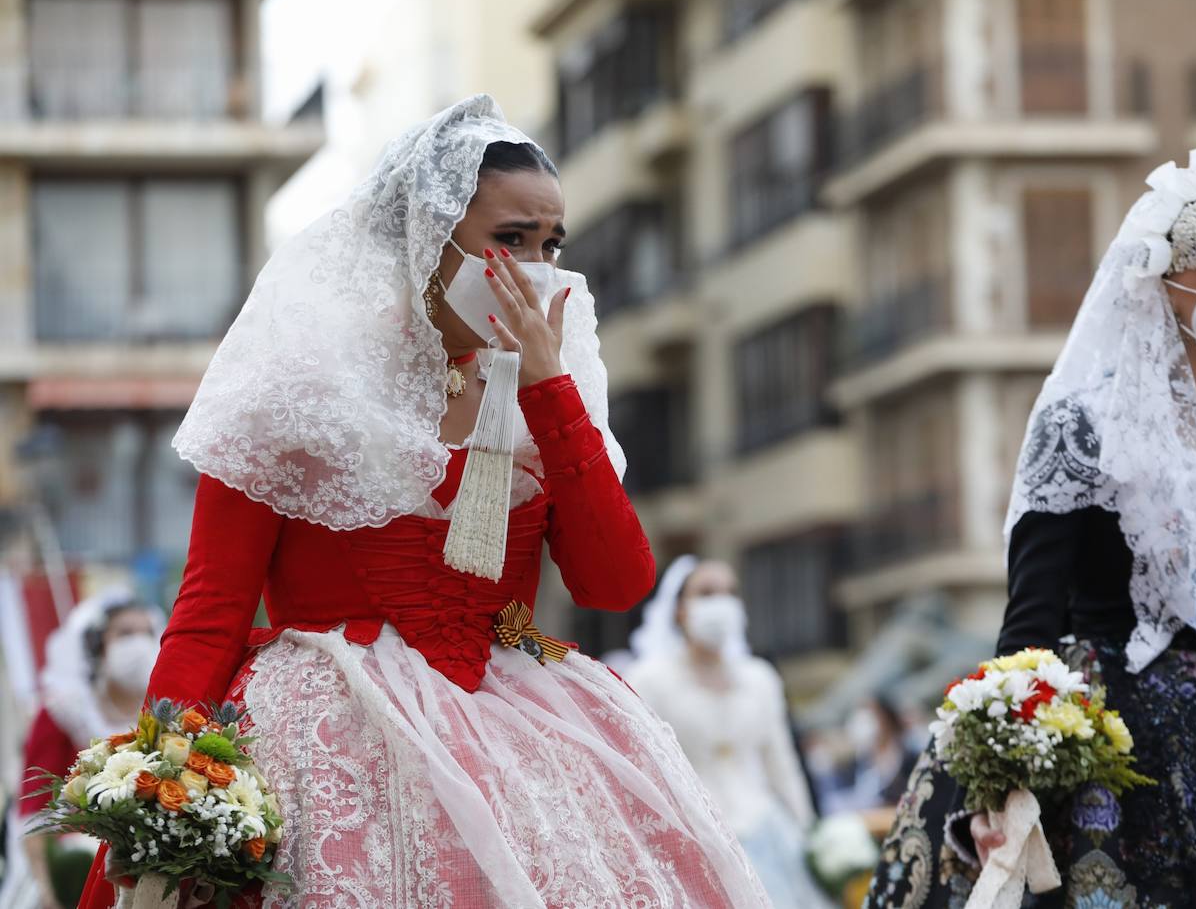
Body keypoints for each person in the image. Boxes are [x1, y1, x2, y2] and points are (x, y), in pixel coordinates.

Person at [77, 96, 768, 909]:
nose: (536, 267)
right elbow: (209, 611)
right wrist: (157, 788)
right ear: (426, 238)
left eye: (551, 243)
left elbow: (613, 584)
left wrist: (548, 390)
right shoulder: (300, 387)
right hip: (328, 738)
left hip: (524, 724)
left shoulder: (551, 395)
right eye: (508, 239)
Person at [866, 149, 1196, 908]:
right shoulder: (1083, 427)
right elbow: (1029, 623)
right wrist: (1003, 777)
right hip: (1104, 733)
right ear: (1164, 286)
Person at [627, 556, 831, 908]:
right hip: (694, 843)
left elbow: (781, 765)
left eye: (729, 592)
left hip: (769, 835)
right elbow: (639, 772)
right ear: (679, 609)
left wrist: (810, 833)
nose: (720, 603)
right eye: (706, 593)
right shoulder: (649, 680)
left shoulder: (760, 678)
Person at [1, 590, 159, 909]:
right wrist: (48, 888)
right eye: (125, 633)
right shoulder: (64, 711)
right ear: (98, 644)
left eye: (146, 633)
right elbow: (34, 807)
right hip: (71, 868)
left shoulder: (165, 712)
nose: (138, 644)